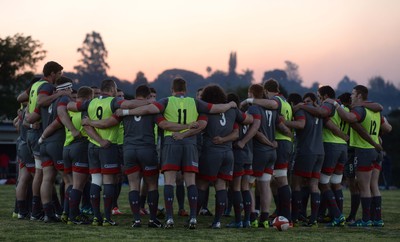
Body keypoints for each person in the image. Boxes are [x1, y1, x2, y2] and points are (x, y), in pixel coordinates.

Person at [117, 77, 237, 229]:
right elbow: (216, 109)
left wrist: (126, 111)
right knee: (190, 181)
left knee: (169, 181)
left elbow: (149, 110)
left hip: (171, 142)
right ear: (185, 89)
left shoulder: (166, 101)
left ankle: (169, 218)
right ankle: (193, 217)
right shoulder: (194, 102)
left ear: (171, 89)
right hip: (190, 143)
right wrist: (231, 104)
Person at [327, 85, 390, 227]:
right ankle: (377, 219)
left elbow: (349, 117)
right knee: (374, 185)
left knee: (364, 186)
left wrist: (336, 105)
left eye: (354, 93)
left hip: (363, 150)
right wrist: (378, 136)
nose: (351, 95)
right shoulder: (375, 110)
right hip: (376, 151)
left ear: (360, 95)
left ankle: (366, 219)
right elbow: (387, 127)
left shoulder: (360, 109)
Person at [195, 85, 253, 229]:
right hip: (228, 153)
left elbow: (200, 126)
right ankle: (217, 221)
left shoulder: (206, 110)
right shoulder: (232, 110)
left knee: (202, 185)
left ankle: (193, 218)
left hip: (211, 152)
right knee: (221, 186)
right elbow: (249, 119)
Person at [21, 61, 65, 221]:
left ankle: (41, 211)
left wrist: (27, 117)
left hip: (33, 131)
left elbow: (23, 100)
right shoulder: (46, 86)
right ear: (52, 73)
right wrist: (59, 94)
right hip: (41, 134)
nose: (60, 77)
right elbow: (40, 102)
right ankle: (38, 210)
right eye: (59, 73)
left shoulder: (36, 85)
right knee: (43, 175)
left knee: (44, 175)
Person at [285, 92, 324, 227]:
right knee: (313, 185)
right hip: (320, 152)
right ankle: (313, 220)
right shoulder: (319, 113)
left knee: (295, 184)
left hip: (306, 152)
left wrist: (283, 121)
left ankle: (294, 217)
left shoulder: (301, 110)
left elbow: (301, 124)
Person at [63, 86, 94, 224]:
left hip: (66, 147)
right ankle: (74, 216)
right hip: (80, 147)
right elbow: (88, 126)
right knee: (78, 185)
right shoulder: (84, 110)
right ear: (88, 98)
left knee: (70, 183)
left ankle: (67, 212)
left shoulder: (69, 108)